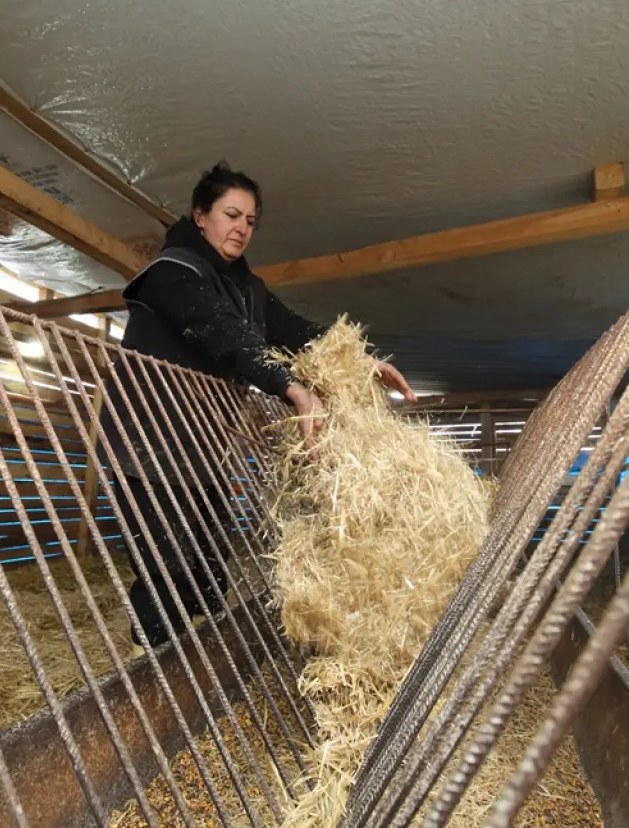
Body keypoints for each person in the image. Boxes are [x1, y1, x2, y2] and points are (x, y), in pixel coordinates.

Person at [103, 161, 417, 649]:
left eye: (250, 221)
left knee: (208, 570)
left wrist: (360, 361)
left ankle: (196, 656)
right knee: (165, 568)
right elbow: (224, 335)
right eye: (231, 215)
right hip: (150, 444)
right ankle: (154, 663)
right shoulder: (173, 273)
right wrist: (292, 388)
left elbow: (296, 332)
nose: (242, 228)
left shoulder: (247, 289)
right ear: (200, 216)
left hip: (201, 448)